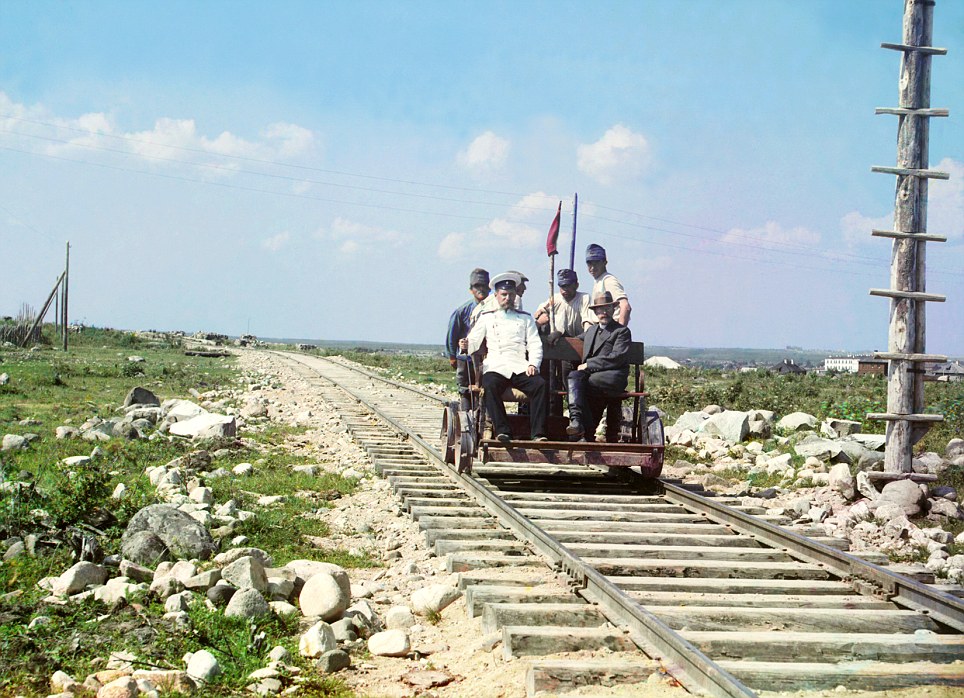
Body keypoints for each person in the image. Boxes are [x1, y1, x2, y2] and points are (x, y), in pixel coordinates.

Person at [461, 273, 547, 442]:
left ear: (515, 296)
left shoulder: (526, 318)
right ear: (496, 296)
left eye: (511, 295)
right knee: (490, 385)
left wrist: (533, 364)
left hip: (519, 365)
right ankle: (503, 431)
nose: (507, 298)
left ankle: (538, 434)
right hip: (496, 366)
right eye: (504, 295)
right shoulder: (487, 317)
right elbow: (473, 341)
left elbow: (535, 344)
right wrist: (466, 344)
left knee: (540, 385)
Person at [566, 291, 631, 441]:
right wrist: (558, 334)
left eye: (607, 308)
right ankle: (576, 422)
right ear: (595, 312)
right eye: (600, 309)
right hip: (592, 376)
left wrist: (589, 364)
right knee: (574, 377)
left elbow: (617, 357)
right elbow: (574, 341)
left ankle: (584, 430)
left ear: (613, 309)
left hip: (613, 376)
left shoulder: (621, 331)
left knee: (583, 383)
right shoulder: (592, 330)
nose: (604, 312)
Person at [445, 268, 490, 409]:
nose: (481, 289)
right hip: (467, 359)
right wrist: (452, 356)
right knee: (465, 391)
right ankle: (465, 423)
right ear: (471, 289)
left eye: (484, 285)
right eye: (477, 286)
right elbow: (452, 335)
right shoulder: (462, 311)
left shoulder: (495, 309)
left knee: (486, 392)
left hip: (488, 359)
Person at [533, 268, 593, 337]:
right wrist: (541, 312)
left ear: (576, 285)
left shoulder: (584, 298)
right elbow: (542, 308)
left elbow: (587, 322)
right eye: (562, 286)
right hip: (559, 338)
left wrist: (587, 338)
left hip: (579, 337)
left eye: (568, 286)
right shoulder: (555, 298)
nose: (565, 290)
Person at [585, 244, 631, 326]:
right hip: (600, 328)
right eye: (589, 263)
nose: (592, 267)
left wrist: (620, 332)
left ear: (604, 263)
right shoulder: (599, 280)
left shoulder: (608, 280)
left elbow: (625, 306)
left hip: (610, 328)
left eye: (596, 263)